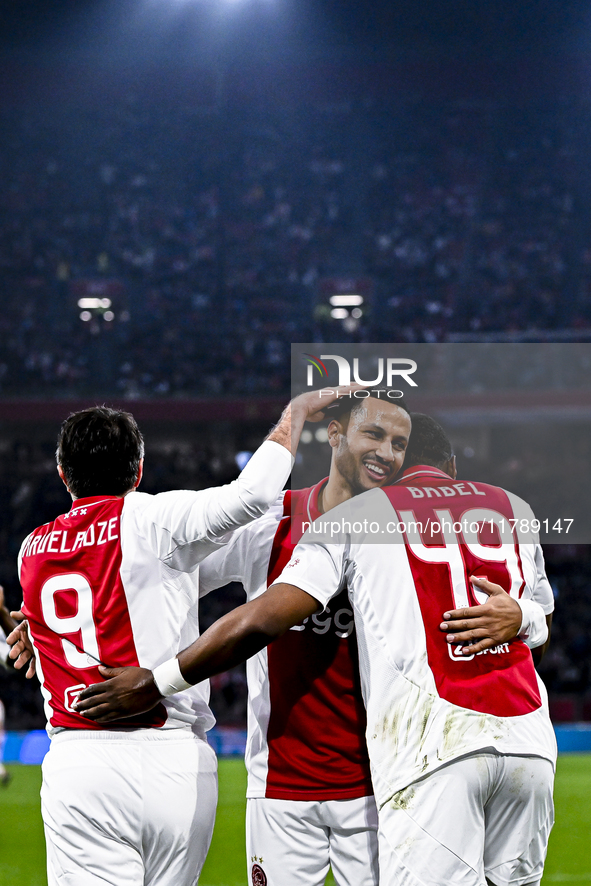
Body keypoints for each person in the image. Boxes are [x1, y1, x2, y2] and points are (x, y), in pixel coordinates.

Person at [75, 413, 554, 886]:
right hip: (285, 783)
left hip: (381, 780)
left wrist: (153, 679)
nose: (384, 452)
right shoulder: (270, 523)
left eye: (396, 444)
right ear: (335, 436)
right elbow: (153, 579)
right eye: (374, 436)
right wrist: (54, 631)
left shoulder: (375, 524)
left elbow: (259, 619)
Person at [9, 389, 349, 886]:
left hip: (82, 760)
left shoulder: (30, 549)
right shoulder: (152, 519)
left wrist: (28, 629)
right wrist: (293, 415)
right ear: (138, 470)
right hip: (176, 761)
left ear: (63, 474)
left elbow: (77, 617)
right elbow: (250, 497)